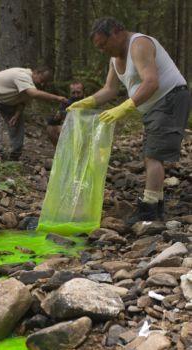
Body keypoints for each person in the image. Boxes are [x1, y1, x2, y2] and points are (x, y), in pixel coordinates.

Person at [68, 17, 190, 225]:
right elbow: (110, 89)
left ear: (116, 32)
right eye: (98, 47)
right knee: (150, 154)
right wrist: (85, 102)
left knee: (153, 155)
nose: (102, 49)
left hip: (170, 97)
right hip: (153, 105)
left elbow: (151, 82)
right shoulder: (114, 60)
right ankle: (156, 202)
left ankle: (150, 209)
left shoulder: (139, 44)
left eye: (104, 44)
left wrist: (124, 107)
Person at [0, 66, 68, 161]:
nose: (42, 84)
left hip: (7, 98)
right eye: (42, 80)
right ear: (36, 73)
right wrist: (57, 98)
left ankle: (15, 154)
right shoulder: (23, 76)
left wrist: (16, 115)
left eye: (45, 83)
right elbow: (33, 94)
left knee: (17, 122)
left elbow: (22, 102)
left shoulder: (32, 84)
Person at [46, 81, 84, 145]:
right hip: (70, 129)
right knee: (51, 128)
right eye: (73, 93)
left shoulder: (90, 102)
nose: (76, 95)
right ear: (70, 93)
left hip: (85, 130)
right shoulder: (65, 103)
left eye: (78, 92)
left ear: (83, 92)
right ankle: (59, 150)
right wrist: (56, 118)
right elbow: (53, 121)